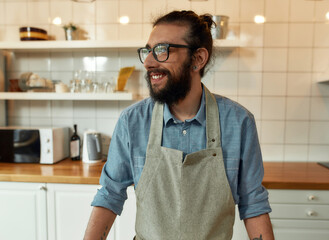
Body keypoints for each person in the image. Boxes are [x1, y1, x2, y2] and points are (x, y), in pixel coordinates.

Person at [84, 10, 274, 240]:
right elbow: (109, 195)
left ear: (198, 59)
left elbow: (253, 205)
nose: (148, 62)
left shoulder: (238, 122)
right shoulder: (132, 122)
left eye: (162, 51)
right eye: (147, 51)